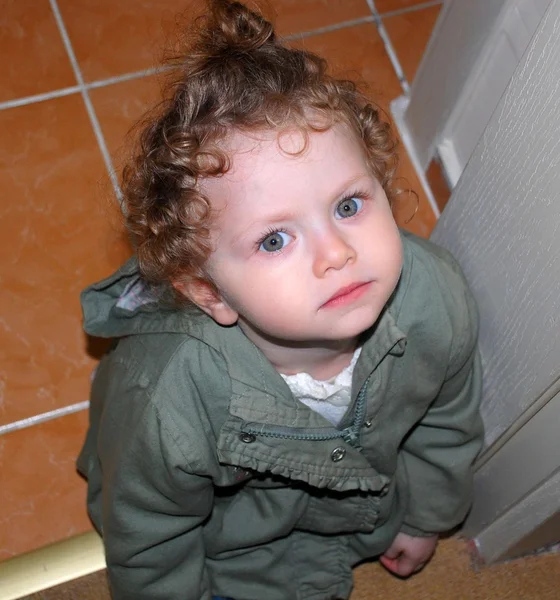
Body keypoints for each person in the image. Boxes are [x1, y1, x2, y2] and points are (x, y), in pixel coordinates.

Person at [77, 1, 483, 599]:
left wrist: (428, 516)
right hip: (232, 544)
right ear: (209, 291)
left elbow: (447, 425)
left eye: (348, 205)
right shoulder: (169, 399)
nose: (336, 253)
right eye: (274, 239)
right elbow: (149, 533)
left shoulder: (435, 298)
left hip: (361, 505)